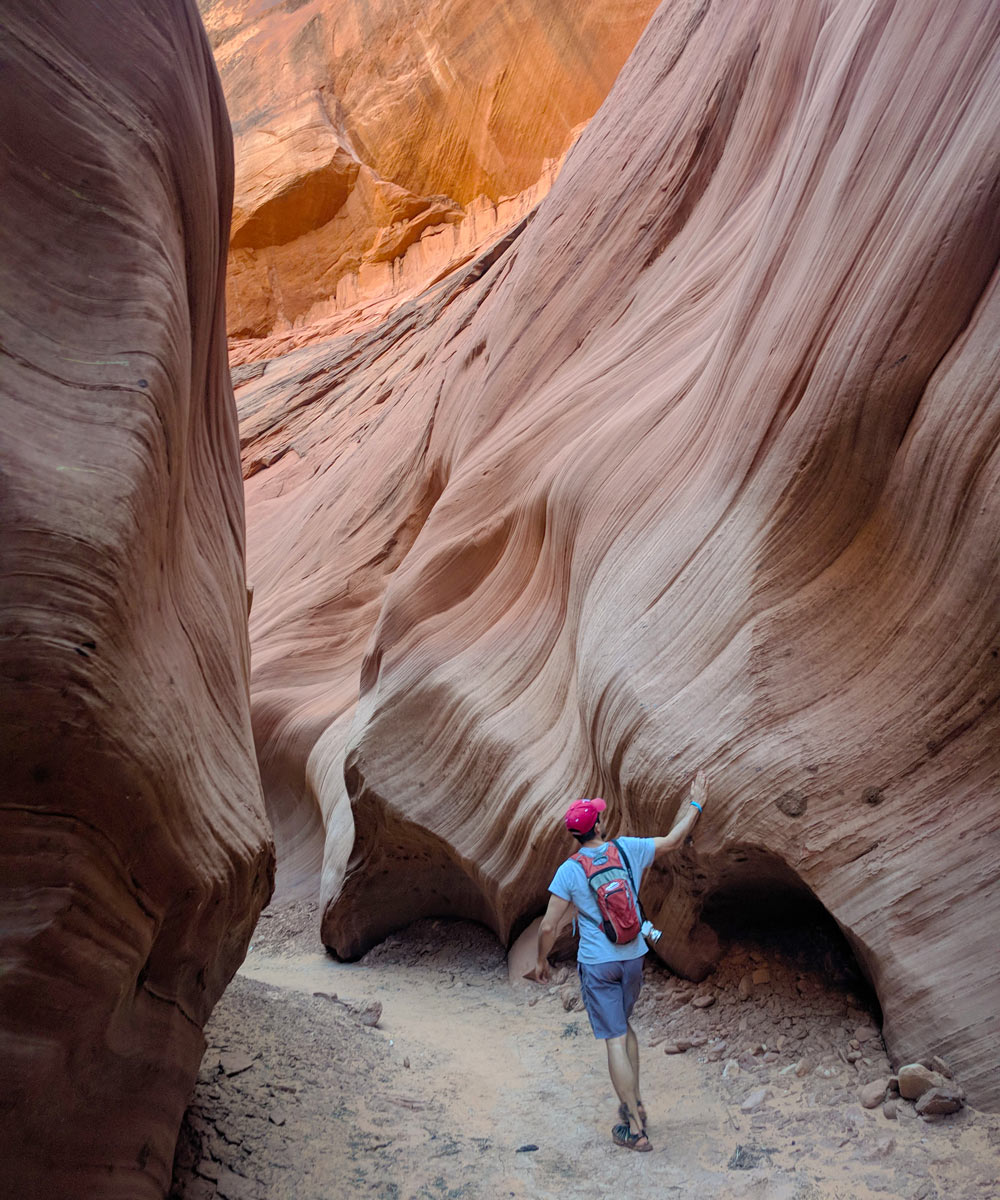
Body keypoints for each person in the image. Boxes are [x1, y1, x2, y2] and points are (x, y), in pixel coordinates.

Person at [533, 771, 709, 1152]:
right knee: (625, 1026)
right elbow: (675, 840)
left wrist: (541, 960)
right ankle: (636, 1100)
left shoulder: (569, 870)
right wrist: (696, 801)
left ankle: (634, 1127)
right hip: (633, 958)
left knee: (613, 1037)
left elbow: (548, 925)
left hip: (598, 964)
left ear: (574, 835)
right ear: (597, 825)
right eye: (597, 814)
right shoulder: (627, 848)